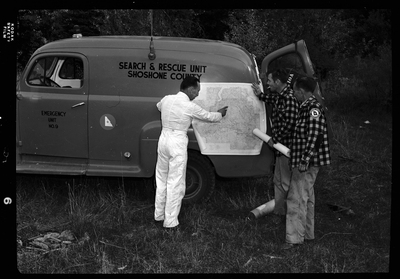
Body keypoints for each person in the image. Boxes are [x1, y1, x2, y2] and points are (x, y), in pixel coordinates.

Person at [154, 76, 228, 231]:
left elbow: (159, 106)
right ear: (191, 88)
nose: (198, 94)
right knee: (175, 182)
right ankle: (170, 221)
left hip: (163, 139)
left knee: (161, 178)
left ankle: (159, 215)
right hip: (177, 141)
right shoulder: (189, 106)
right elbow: (209, 117)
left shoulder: (167, 99)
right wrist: (220, 113)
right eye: (197, 90)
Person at [282, 76, 331, 249]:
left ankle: (294, 239)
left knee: (296, 198)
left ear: (301, 92)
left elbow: (315, 136)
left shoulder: (313, 108)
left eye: (294, 91)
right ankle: (307, 234)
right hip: (305, 160)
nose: (293, 94)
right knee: (307, 197)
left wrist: (304, 160)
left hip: (306, 163)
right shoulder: (306, 107)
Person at [252, 68, 299, 223]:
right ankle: (279, 213)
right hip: (280, 148)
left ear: (278, 82)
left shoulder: (289, 98)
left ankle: (290, 216)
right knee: (278, 181)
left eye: (270, 80)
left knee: (285, 182)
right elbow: (271, 99)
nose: (268, 83)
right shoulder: (280, 96)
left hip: (286, 149)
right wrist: (260, 95)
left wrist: (274, 139)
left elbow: (290, 124)